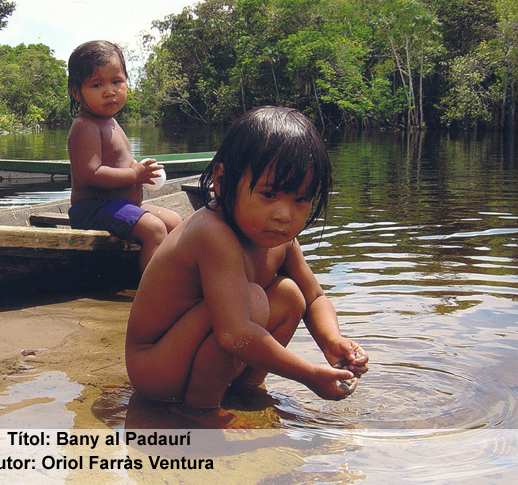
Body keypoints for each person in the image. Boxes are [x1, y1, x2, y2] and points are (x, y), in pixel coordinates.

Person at [125, 106, 369, 428]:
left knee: (289, 294)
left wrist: (331, 341)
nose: (285, 214)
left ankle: (245, 388)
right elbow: (234, 333)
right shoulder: (212, 233)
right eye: (269, 194)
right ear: (223, 182)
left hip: (190, 351)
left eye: (301, 200)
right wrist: (308, 375)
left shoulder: (281, 238)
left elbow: (314, 298)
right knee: (251, 300)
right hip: (156, 369)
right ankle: (199, 408)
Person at [66, 40, 181, 271]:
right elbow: (91, 174)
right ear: (77, 93)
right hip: (92, 208)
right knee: (154, 229)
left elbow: (121, 161)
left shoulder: (111, 122)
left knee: (175, 222)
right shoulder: (85, 126)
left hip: (120, 206)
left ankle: (171, 278)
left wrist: (140, 169)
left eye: (116, 81)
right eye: (97, 85)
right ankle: (151, 293)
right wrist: (134, 174)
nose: (109, 91)